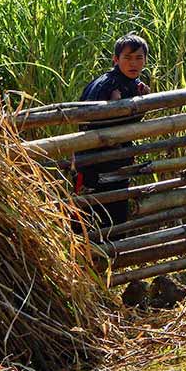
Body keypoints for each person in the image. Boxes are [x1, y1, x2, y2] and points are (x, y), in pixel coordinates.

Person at [74, 33, 151, 234]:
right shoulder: (106, 85)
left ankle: (113, 259)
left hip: (118, 162)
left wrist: (140, 105)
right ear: (115, 60)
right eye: (127, 58)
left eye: (138, 58)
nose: (133, 63)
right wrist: (114, 108)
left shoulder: (134, 85)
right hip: (95, 163)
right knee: (92, 215)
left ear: (145, 60)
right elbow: (89, 122)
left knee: (115, 213)